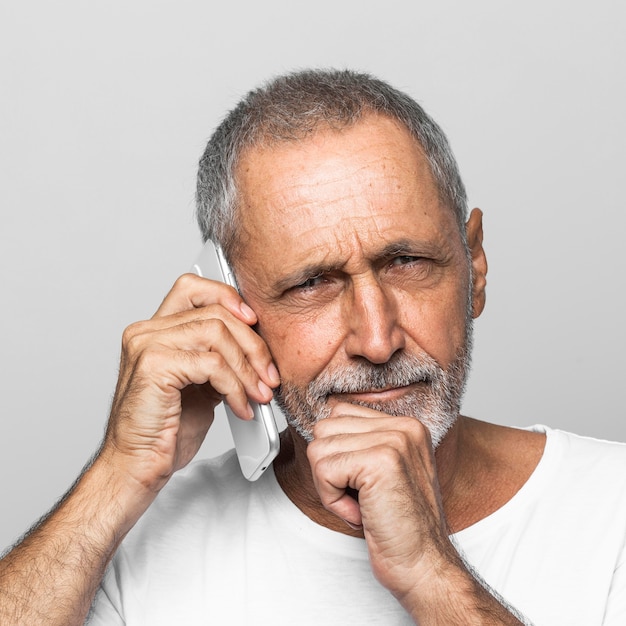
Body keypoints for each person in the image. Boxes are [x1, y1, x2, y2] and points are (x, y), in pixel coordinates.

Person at [1, 69, 625, 626]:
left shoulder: (612, 511)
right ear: (228, 305)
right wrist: (119, 472)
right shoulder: (136, 542)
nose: (377, 341)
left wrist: (431, 574)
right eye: (312, 284)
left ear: (476, 268)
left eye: (406, 262)